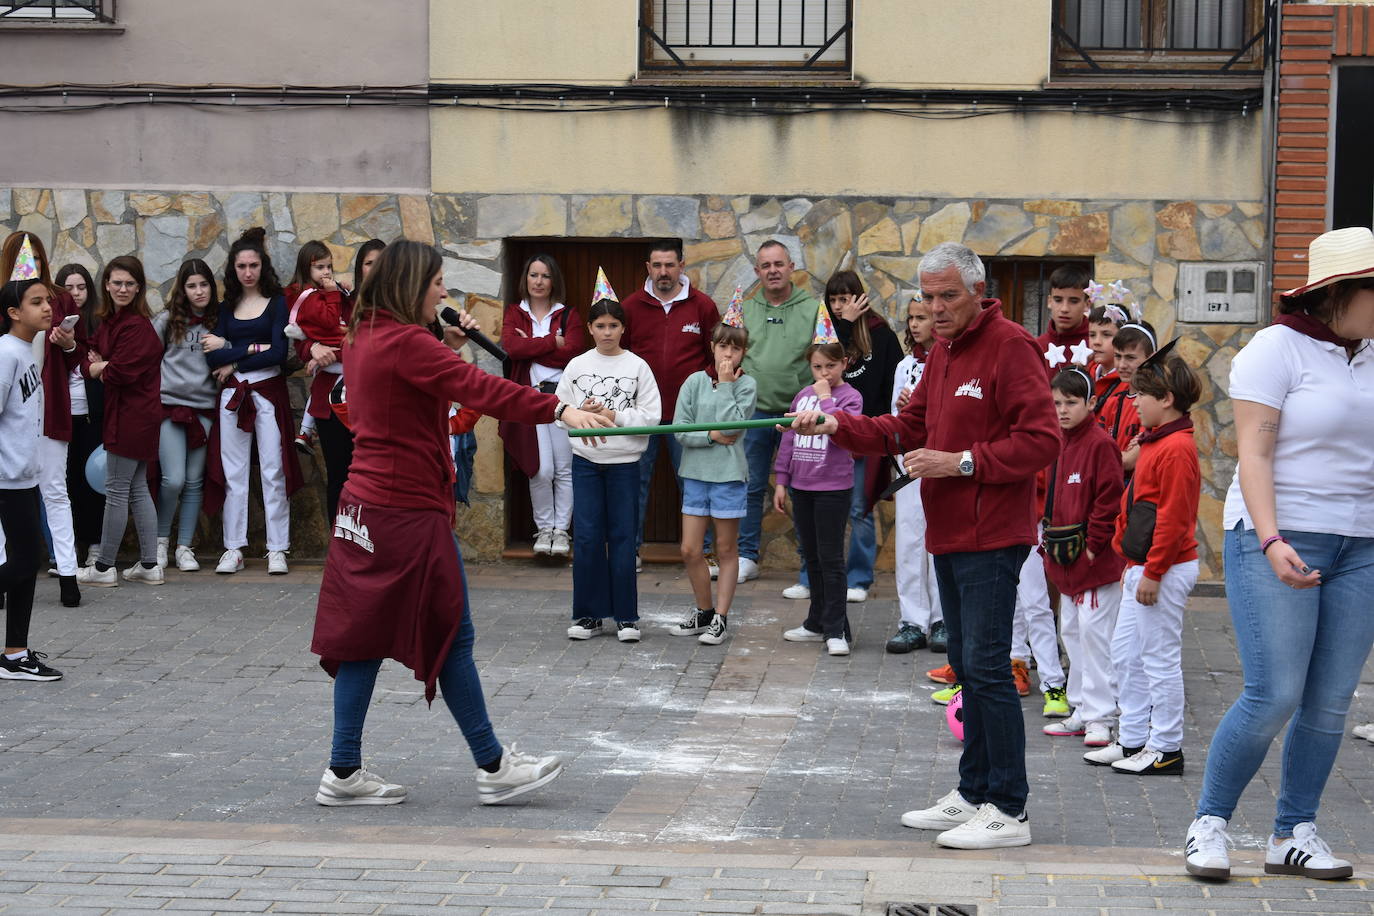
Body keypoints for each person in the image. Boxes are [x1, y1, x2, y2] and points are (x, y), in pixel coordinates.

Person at [310, 239, 612, 807]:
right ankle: (494, 766)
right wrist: (559, 408)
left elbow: (420, 383)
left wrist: (443, 343)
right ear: (410, 286)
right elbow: (482, 389)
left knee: (362, 641)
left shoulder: (366, 333)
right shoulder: (404, 342)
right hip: (406, 512)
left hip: (364, 506)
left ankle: (343, 771)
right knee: (454, 637)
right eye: (436, 282)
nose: (444, 291)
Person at [789, 242, 1060, 849]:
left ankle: (1009, 809)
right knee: (968, 665)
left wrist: (960, 462)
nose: (935, 309)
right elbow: (902, 429)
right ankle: (973, 793)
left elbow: (1041, 441)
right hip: (951, 531)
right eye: (928, 297)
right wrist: (835, 424)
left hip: (994, 534)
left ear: (977, 292)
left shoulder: (1011, 346)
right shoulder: (940, 355)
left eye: (947, 297)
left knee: (989, 668)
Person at [1186, 227, 1374, 882]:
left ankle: (1292, 833)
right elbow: (1255, 453)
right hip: (1277, 535)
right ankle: (1209, 824)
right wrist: (1270, 539)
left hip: (1364, 545)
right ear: (1342, 292)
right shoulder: (1276, 349)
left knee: (1330, 703)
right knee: (1274, 694)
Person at [1084, 344, 1201, 776]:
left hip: (1162, 569)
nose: (1133, 403)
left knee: (1159, 658)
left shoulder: (1177, 448)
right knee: (1126, 655)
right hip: (1143, 567)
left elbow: (1173, 518)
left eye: (1140, 396)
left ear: (1166, 399)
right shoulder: (1155, 441)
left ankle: (1167, 747)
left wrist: (1153, 571)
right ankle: (1133, 738)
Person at [785, 270, 903, 604]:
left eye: (845, 298)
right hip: (824, 437)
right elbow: (827, 360)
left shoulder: (882, 337)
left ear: (860, 298)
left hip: (863, 434)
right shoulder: (831, 335)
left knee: (859, 510)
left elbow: (888, 390)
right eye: (833, 300)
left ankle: (860, 578)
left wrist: (877, 434)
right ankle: (810, 577)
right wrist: (846, 325)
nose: (839, 306)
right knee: (816, 509)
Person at [558, 284, 661, 642]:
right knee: (586, 537)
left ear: (623, 328)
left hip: (624, 464)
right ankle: (587, 614)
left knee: (622, 538)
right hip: (586, 462)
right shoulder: (576, 366)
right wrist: (578, 417)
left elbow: (652, 417)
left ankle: (626, 616)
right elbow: (558, 412)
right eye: (600, 325)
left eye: (613, 326)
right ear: (589, 328)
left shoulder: (638, 366)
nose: (606, 332)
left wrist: (613, 414)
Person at [203, 227, 302, 575]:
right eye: (242, 266)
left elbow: (278, 352)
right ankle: (234, 547)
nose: (248, 272)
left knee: (274, 470)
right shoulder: (226, 308)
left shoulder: (277, 304)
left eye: (254, 265)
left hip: (267, 392)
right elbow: (211, 357)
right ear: (233, 269)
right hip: (233, 395)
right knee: (234, 473)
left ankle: (277, 548)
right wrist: (240, 354)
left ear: (263, 267)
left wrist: (233, 356)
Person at [1038, 368, 1125, 748]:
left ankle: (1102, 716)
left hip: (1095, 563)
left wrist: (1093, 546)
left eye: (1071, 403)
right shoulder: (1054, 441)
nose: (1062, 410)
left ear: (1091, 403)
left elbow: (1109, 499)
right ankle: (1081, 707)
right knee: (1071, 632)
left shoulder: (1101, 444)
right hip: (1064, 557)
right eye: (1056, 403)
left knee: (1096, 637)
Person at [621, 240, 720, 564]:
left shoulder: (702, 306)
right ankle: (629, 550)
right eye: (657, 265)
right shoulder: (631, 306)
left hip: (688, 416)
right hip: (641, 414)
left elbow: (715, 358)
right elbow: (618, 358)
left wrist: (703, 394)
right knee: (634, 483)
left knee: (693, 483)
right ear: (648, 268)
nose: (664, 272)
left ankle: (703, 552)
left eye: (669, 265)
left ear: (681, 265)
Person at [1, 234, 84, 607]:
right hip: (12, 419)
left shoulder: (58, 301)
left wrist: (67, 344)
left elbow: (75, 359)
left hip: (50, 410)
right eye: (24, 257)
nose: (32, 262)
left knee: (55, 490)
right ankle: (6, 571)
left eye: (37, 256)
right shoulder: (7, 305)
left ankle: (69, 574)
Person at [776, 319, 864, 657]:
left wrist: (826, 398)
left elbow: (842, 429)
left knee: (831, 558)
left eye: (830, 365)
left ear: (844, 363)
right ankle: (816, 622)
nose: (824, 373)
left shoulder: (850, 398)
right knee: (810, 556)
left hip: (833, 487)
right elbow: (788, 439)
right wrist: (782, 481)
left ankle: (837, 628)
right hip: (803, 485)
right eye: (817, 367)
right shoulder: (802, 396)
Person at [75, 257, 163, 588]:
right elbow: (89, 357)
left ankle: (103, 567)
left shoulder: (138, 327)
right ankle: (150, 564)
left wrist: (101, 367)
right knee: (137, 488)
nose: (122, 289)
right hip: (129, 414)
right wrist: (97, 365)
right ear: (107, 286)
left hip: (132, 417)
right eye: (116, 283)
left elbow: (119, 372)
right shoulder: (112, 321)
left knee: (116, 490)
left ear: (138, 287)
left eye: (128, 283)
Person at [669, 317, 756, 646]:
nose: (728, 354)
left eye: (735, 348)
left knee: (725, 548)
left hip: (728, 477)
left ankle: (720, 616)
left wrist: (727, 384)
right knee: (690, 549)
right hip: (696, 475)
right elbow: (680, 429)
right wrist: (709, 435)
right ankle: (703, 610)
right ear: (712, 346)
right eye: (723, 346)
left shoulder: (747, 385)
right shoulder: (693, 382)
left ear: (743, 352)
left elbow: (733, 426)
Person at [738, 240, 820, 584]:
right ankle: (746, 556)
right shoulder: (744, 309)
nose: (772, 270)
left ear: (791, 268)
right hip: (755, 412)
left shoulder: (813, 308)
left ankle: (808, 566)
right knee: (750, 486)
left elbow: (824, 355)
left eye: (779, 264)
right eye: (765, 265)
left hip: (798, 416)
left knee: (805, 490)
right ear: (757, 272)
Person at [499, 254, 585, 557]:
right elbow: (512, 347)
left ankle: (561, 532)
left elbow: (573, 354)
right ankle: (544, 528)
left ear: (553, 281)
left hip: (562, 399)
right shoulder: (514, 312)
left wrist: (531, 347)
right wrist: (552, 342)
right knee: (540, 468)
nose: (538, 282)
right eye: (533, 275)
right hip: (529, 399)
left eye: (545, 276)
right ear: (525, 279)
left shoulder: (568, 314)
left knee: (564, 468)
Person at [0, 275, 63, 681]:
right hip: (5, 477)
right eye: (36, 302)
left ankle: (16, 654)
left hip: (24, 475)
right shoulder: (6, 353)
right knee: (24, 564)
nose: (46, 308)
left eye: (47, 301)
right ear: (13, 312)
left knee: (28, 563)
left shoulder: (26, 351)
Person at [885, 294, 944, 655]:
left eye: (922, 317)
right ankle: (911, 620)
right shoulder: (904, 366)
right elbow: (894, 417)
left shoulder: (950, 362)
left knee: (936, 543)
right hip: (908, 464)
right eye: (911, 318)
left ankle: (941, 619)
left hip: (939, 461)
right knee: (908, 543)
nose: (915, 325)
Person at [152, 259, 220, 572]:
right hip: (170, 407)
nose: (198, 291)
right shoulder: (168, 320)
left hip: (204, 408)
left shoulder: (220, 320)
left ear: (211, 286)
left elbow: (230, 351)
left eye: (203, 284)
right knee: (172, 479)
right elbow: (146, 355)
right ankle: (160, 541)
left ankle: (183, 547)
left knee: (194, 481)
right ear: (183, 289)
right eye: (191, 285)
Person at [285, 240, 354, 521]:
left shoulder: (349, 294)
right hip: (331, 394)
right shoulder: (317, 294)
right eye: (320, 267)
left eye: (329, 267)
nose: (326, 273)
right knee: (339, 474)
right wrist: (311, 347)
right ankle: (340, 546)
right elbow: (302, 336)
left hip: (365, 393)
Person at [55, 264, 106, 568]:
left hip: (92, 415)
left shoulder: (100, 323)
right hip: (62, 416)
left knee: (94, 482)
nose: (75, 294)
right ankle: (70, 548)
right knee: (67, 484)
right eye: (68, 288)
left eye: (81, 287)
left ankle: (97, 544)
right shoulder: (53, 326)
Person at [1101, 321, 1156, 474]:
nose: (1122, 365)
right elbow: (1094, 449)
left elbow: (1129, 461)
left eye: (1130, 358)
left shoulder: (1154, 404)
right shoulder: (1112, 402)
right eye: (1118, 356)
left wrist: (1104, 457)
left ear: (1150, 358)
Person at [1035, 266, 1093, 379]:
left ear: (1087, 304)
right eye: (1058, 300)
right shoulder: (1037, 347)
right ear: (1049, 301)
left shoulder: (1096, 346)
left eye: (1074, 301)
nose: (1064, 309)